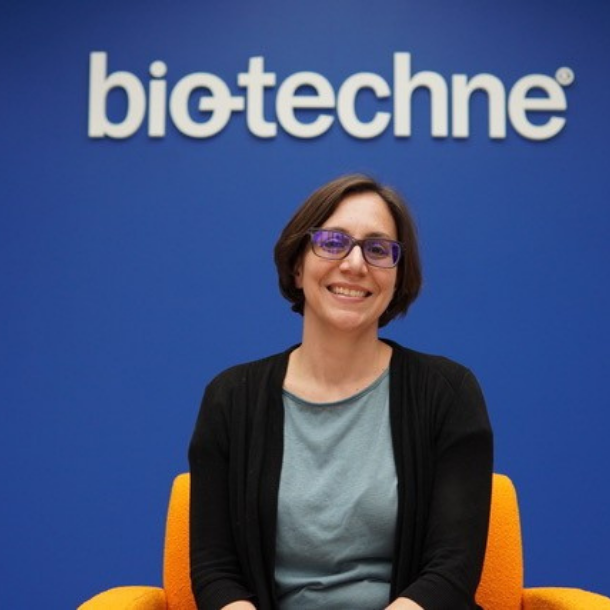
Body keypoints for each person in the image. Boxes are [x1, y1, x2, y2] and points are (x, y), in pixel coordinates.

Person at [188, 174, 493, 610]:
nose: (354, 264)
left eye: (378, 249)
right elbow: (215, 572)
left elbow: (452, 571)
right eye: (332, 242)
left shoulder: (448, 391)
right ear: (297, 266)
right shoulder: (230, 399)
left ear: (398, 276)